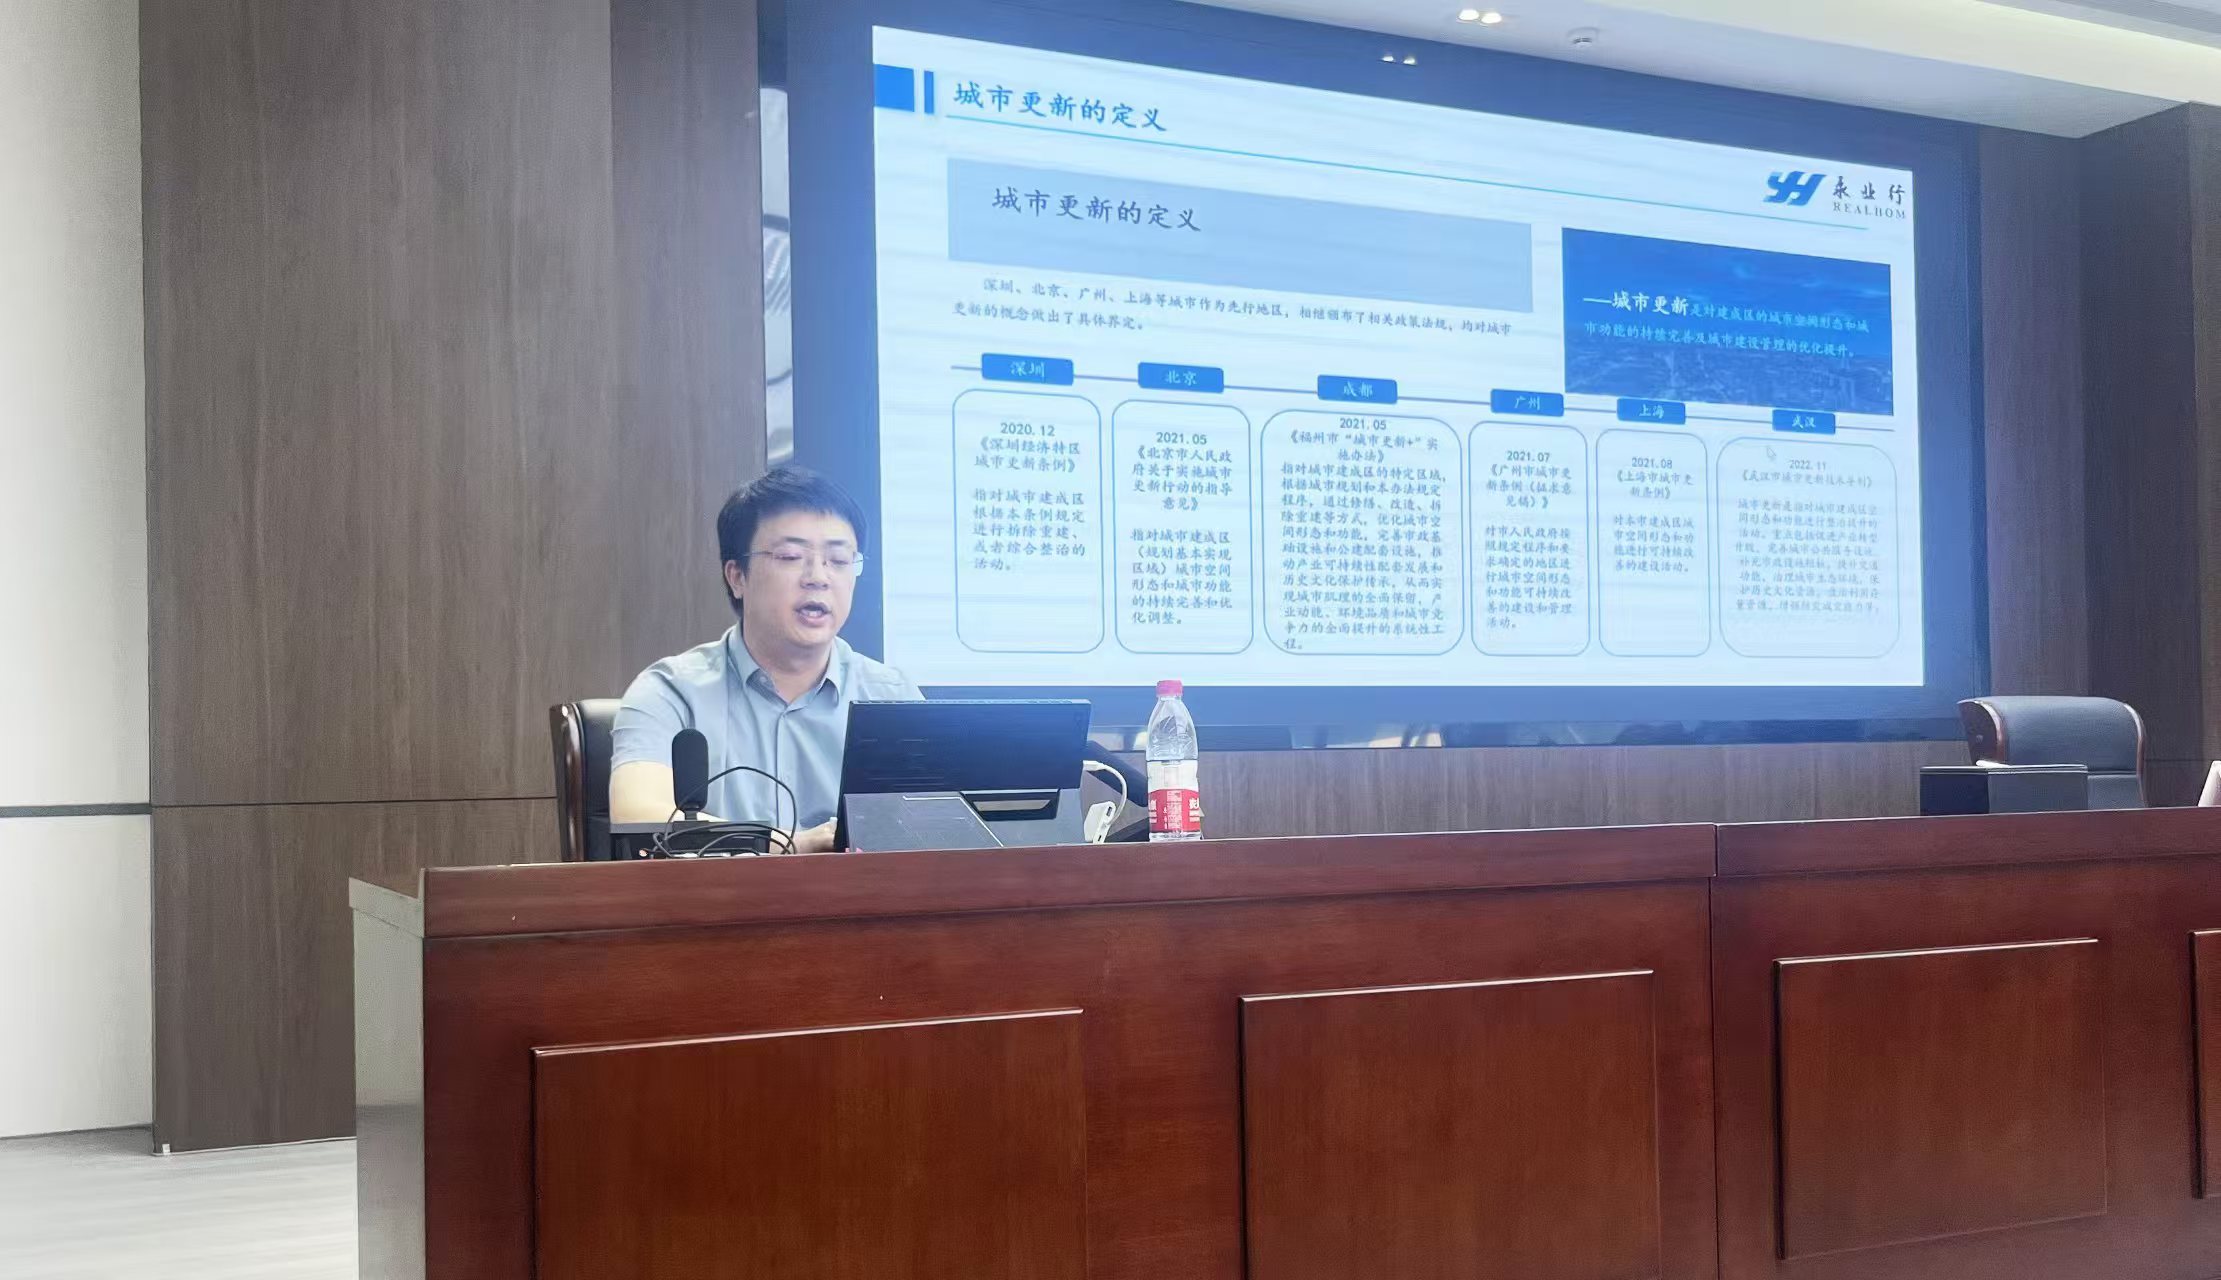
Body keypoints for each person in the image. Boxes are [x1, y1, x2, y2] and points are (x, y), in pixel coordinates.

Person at [609, 466, 921, 852]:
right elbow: (639, 815)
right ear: (737, 576)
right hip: (720, 893)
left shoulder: (891, 695)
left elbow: (937, 826)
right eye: (791, 556)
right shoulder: (672, 693)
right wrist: (790, 846)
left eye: (839, 560)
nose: (818, 577)